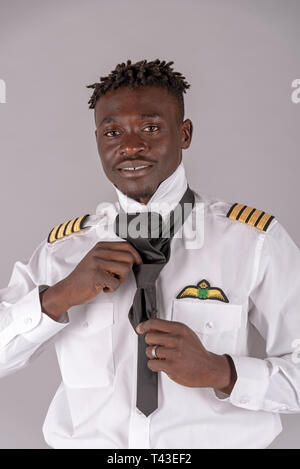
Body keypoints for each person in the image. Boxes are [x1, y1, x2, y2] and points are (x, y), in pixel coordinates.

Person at [0, 59, 300, 449]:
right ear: (97, 141)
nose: (130, 145)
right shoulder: (63, 250)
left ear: (185, 133)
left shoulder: (253, 241)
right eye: (112, 132)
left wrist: (223, 372)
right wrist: (58, 297)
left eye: (151, 127)